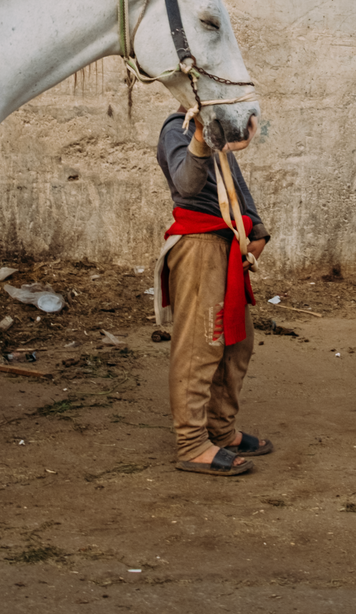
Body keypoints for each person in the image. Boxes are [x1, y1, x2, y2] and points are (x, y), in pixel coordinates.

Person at [154, 108, 271, 476]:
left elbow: (234, 183)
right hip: (199, 245)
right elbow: (187, 186)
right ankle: (191, 444)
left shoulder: (217, 131)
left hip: (227, 244)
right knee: (200, 345)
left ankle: (220, 429)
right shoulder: (178, 129)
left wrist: (259, 229)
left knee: (238, 342)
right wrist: (201, 139)